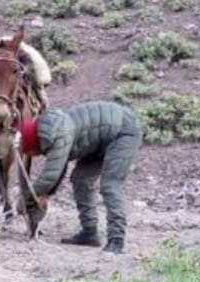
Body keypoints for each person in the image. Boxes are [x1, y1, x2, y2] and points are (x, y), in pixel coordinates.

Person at [16, 100, 142, 254]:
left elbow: (50, 176)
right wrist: (43, 195)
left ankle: (116, 239)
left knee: (110, 184)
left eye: (33, 153)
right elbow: (58, 170)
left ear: (34, 143)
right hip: (99, 142)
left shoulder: (58, 135)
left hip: (122, 133)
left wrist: (26, 197)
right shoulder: (51, 130)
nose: (36, 155)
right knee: (81, 180)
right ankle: (90, 233)